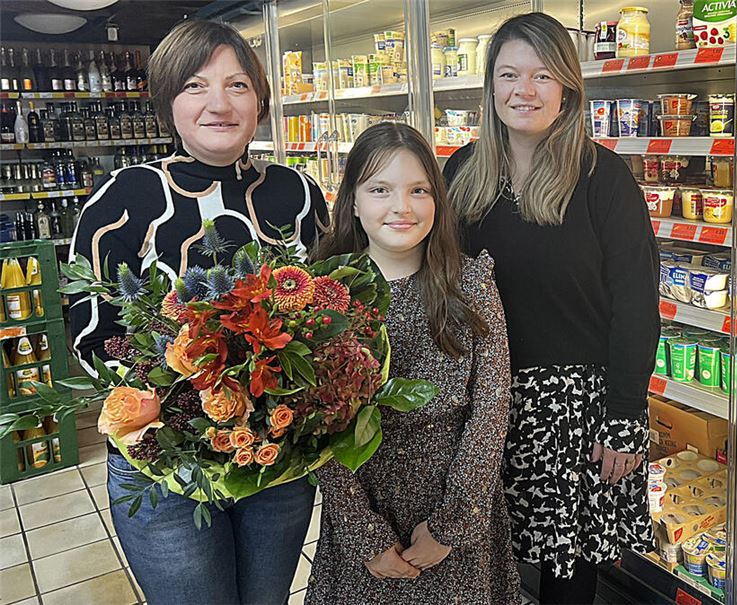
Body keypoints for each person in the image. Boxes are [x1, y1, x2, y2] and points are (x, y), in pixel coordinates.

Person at [67, 20, 327, 605]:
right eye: (195, 86)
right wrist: (180, 413)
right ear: (167, 102)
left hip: (274, 464)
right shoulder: (123, 198)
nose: (219, 103)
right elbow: (92, 334)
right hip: (164, 466)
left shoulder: (298, 193)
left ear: (259, 100)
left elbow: (328, 315)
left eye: (237, 86)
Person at [444, 12, 660, 605]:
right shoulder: (462, 174)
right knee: (479, 552)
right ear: (490, 85)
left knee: (566, 572)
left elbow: (637, 303)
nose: (524, 91)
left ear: (567, 86)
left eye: (542, 75)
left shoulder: (602, 177)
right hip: (482, 395)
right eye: (509, 75)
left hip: (573, 409)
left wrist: (624, 414)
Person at [304, 122, 519, 604]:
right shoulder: (324, 294)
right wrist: (364, 533)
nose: (402, 207)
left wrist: (453, 523)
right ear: (352, 201)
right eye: (380, 189)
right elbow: (315, 431)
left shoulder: (470, 283)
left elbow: (491, 405)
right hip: (364, 506)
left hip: (456, 504)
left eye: (419, 190)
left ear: (438, 201)